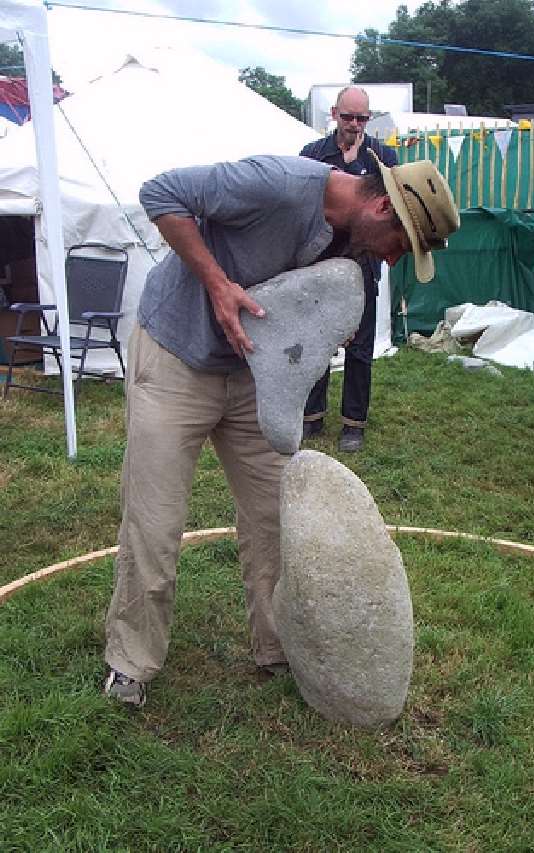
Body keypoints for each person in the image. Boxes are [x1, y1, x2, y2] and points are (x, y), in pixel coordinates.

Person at [104, 152, 459, 707]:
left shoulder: (349, 239)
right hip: (176, 357)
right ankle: (132, 662)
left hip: (251, 380)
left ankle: (275, 647)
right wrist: (219, 285)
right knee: (155, 520)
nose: (390, 262)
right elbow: (160, 193)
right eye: (398, 245)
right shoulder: (276, 183)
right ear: (382, 205)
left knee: (276, 519)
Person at [299, 86, 398, 452]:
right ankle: (311, 417)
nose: (354, 125)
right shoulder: (312, 155)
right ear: (335, 113)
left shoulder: (383, 158)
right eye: (348, 117)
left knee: (359, 347)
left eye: (361, 118)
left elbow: (396, 214)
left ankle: (353, 425)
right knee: (316, 344)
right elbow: (302, 206)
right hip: (321, 265)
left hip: (362, 267)